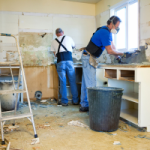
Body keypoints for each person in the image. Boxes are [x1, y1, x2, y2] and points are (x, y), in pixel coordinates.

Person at [79, 16, 125, 112]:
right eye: (117, 26)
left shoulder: (106, 31)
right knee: (91, 84)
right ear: (111, 24)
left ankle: (84, 105)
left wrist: (117, 56)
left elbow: (112, 46)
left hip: (87, 56)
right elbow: (109, 51)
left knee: (85, 83)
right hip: (89, 58)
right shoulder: (104, 32)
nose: (117, 29)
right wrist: (122, 53)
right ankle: (93, 110)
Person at [51, 28, 79, 106]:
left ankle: (64, 101)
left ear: (56, 34)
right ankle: (75, 100)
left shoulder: (53, 41)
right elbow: (74, 46)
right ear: (63, 32)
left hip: (60, 62)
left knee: (62, 82)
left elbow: (55, 54)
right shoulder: (69, 38)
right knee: (72, 81)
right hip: (69, 61)